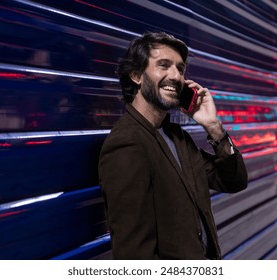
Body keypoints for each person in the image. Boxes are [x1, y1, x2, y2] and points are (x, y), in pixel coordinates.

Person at [98, 32, 248, 260]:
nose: (176, 76)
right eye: (164, 65)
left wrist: (213, 127)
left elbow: (234, 180)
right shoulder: (126, 143)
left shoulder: (178, 137)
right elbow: (134, 254)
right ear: (136, 75)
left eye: (180, 68)